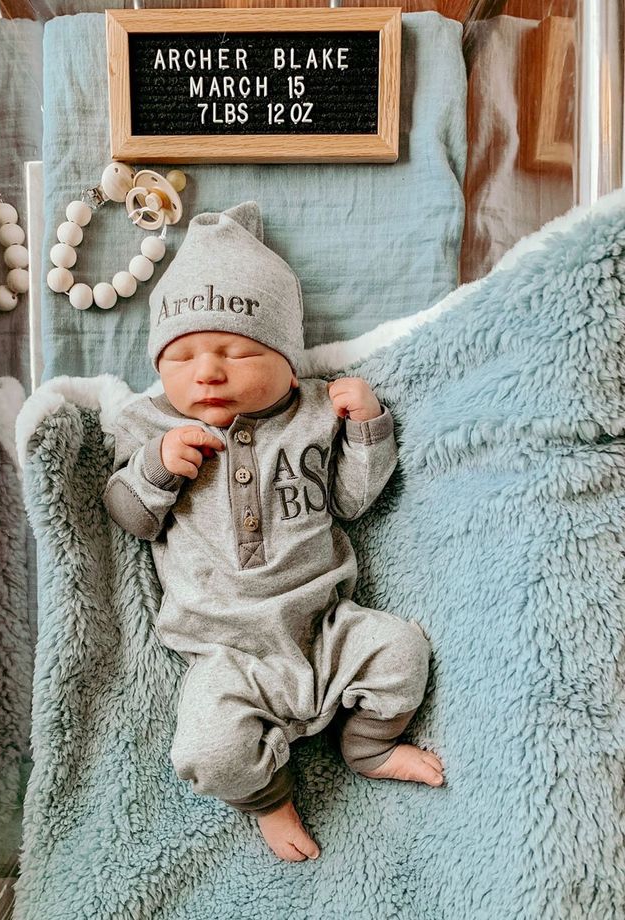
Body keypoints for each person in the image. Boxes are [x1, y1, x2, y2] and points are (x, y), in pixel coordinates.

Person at [103, 201, 444, 862]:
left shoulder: (314, 412)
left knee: (403, 651)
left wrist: (367, 428)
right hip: (226, 655)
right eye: (183, 356)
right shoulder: (150, 427)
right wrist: (154, 471)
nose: (207, 371)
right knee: (206, 748)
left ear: (287, 361)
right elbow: (130, 519)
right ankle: (271, 799)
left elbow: (350, 500)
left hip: (325, 627)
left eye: (235, 351)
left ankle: (369, 747)